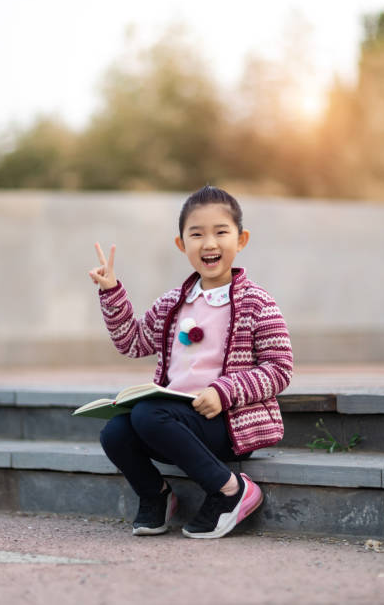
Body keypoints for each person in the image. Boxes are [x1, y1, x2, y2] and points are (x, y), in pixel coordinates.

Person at [89, 185, 293, 539]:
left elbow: (279, 368)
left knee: (148, 414)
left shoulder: (257, 303)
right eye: (196, 234)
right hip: (173, 422)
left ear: (241, 239)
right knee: (116, 432)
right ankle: (156, 496)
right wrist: (111, 293)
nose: (209, 243)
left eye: (220, 232)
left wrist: (224, 392)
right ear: (181, 245)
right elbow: (133, 341)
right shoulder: (172, 304)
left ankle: (230, 490)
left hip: (226, 421)